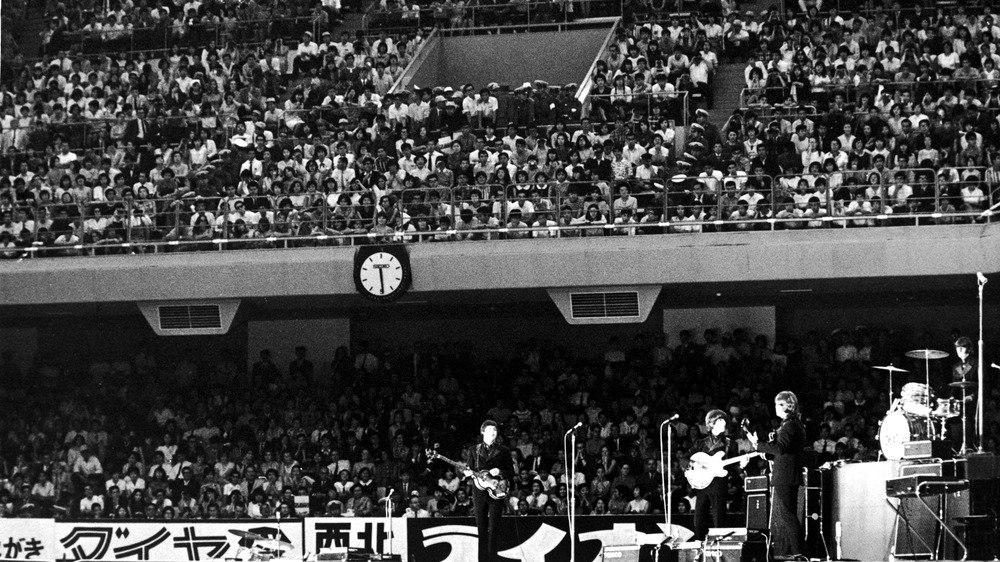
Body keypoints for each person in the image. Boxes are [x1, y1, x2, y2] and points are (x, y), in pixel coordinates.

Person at [748, 391, 804, 559]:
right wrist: (765, 451)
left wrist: (759, 445)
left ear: (786, 406)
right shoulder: (792, 425)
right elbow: (782, 451)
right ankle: (797, 552)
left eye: (777, 405)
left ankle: (799, 552)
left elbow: (780, 448)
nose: (775, 408)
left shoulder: (789, 425)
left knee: (788, 515)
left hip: (785, 475)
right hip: (788, 474)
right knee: (789, 515)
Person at [690, 409, 744, 540]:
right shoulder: (700, 443)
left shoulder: (731, 444)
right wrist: (693, 467)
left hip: (719, 485)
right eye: (719, 420)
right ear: (711, 423)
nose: (723, 423)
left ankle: (718, 549)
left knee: (719, 521)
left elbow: (733, 467)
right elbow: (686, 459)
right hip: (702, 485)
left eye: (724, 420)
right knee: (698, 522)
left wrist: (742, 465)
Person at [464, 420, 510, 562]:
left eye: (495, 430)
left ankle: (493, 558)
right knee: (481, 528)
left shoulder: (503, 451)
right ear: (483, 431)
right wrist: (467, 473)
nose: (493, 432)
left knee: (494, 527)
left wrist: (500, 471)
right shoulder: (473, 450)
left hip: (496, 491)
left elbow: (511, 472)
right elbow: (468, 468)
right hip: (479, 492)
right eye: (490, 429)